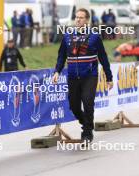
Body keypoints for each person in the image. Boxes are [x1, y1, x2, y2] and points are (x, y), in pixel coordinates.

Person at [52, 8, 113, 144]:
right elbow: (61, 56)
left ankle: (87, 132)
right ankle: (86, 122)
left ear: (86, 20)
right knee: (73, 105)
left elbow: (103, 58)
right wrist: (57, 71)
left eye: (81, 17)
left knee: (87, 101)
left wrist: (109, 77)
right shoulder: (67, 36)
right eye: (76, 17)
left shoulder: (94, 37)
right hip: (73, 76)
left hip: (89, 76)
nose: (78, 20)